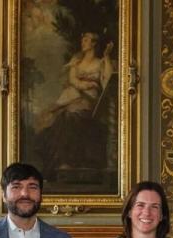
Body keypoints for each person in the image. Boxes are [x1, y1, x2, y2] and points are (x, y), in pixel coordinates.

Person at [35, 32, 115, 178]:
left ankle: (69, 161)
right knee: (60, 118)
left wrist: (107, 56)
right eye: (82, 40)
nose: (82, 42)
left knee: (71, 116)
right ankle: (61, 162)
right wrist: (86, 84)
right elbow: (72, 80)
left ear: (94, 43)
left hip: (88, 101)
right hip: (71, 97)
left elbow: (108, 80)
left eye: (86, 40)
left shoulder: (100, 62)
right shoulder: (76, 61)